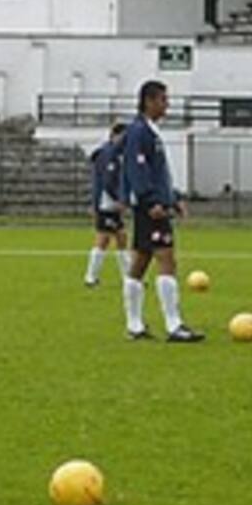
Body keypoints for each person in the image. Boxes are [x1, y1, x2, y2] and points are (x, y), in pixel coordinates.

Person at [120, 81, 203, 343]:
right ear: (149, 101)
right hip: (151, 209)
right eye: (163, 100)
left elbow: (159, 174)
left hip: (155, 205)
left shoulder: (150, 131)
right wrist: (151, 202)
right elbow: (137, 169)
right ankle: (173, 325)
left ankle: (134, 326)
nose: (167, 105)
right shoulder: (139, 132)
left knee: (140, 263)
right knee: (167, 260)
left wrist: (173, 198)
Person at [84, 122, 132, 287]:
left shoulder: (117, 153)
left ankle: (128, 277)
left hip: (111, 203)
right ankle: (91, 277)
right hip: (107, 203)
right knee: (105, 238)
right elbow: (108, 181)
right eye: (124, 137)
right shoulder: (108, 154)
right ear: (114, 136)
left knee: (120, 237)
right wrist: (121, 199)